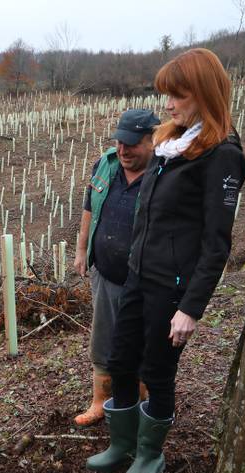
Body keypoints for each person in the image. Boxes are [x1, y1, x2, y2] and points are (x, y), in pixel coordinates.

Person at [86, 49, 245, 473]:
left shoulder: (221, 157)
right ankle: (120, 445)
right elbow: (148, 214)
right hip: (139, 276)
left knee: (156, 373)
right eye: (167, 95)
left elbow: (217, 244)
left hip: (173, 287)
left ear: (204, 94)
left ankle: (149, 454)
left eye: (177, 95)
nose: (169, 105)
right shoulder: (169, 144)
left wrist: (190, 307)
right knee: (121, 361)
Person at [73, 109, 160, 427]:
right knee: (104, 339)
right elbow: (88, 207)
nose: (123, 150)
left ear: (152, 140)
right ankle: (100, 402)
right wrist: (82, 249)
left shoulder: (164, 173)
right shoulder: (106, 164)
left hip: (145, 279)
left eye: (132, 144)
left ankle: (137, 401)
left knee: (139, 343)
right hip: (107, 273)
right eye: (120, 142)